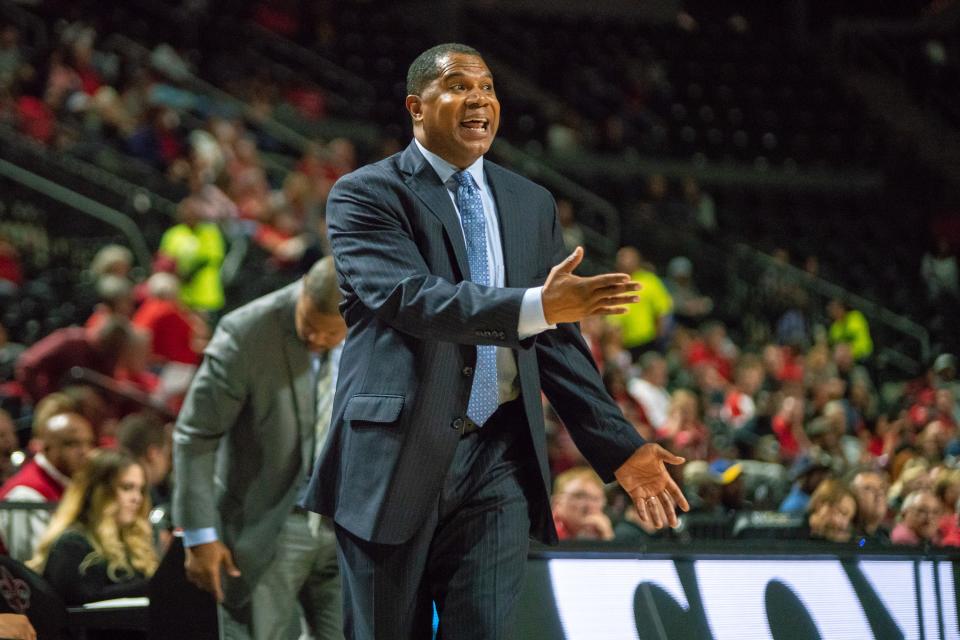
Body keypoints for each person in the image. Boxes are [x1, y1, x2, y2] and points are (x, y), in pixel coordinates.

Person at [300, 43, 688, 640]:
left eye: (487, 88)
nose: (479, 99)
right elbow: (411, 299)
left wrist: (619, 448)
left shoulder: (530, 203)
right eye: (458, 86)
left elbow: (555, 341)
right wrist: (534, 306)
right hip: (396, 454)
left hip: (499, 458)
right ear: (416, 107)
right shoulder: (366, 195)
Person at [173, 257, 346, 640]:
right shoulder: (246, 332)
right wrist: (199, 534)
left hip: (346, 524)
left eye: (331, 335)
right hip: (268, 524)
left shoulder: (379, 327)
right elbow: (196, 434)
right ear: (301, 289)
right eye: (309, 326)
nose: (317, 340)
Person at [27, 449, 156, 609]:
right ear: (99, 491)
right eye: (127, 487)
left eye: (141, 490)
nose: (137, 498)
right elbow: (81, 601)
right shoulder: (72, 544)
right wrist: (152, 587)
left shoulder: (134, 544)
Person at [0, 412, 95, 560]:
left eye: (89, 443)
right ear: (46, 448)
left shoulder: (73, 483)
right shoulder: (26, 494)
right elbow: (32, 563)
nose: (84, 452)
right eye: (72, 444)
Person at [551, 467, 613, 541]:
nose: (589, 505)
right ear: (557, 502)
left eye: (595, 499)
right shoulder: (548, 533)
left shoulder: (597, 532)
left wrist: (607, 536)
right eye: (579, 496)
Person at [850, 469, 891, 545]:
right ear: (853, 497)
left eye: (881, 488)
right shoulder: (847, 536)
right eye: (868, 488)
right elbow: (861, 546)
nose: (879, 493)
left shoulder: (886, 534)